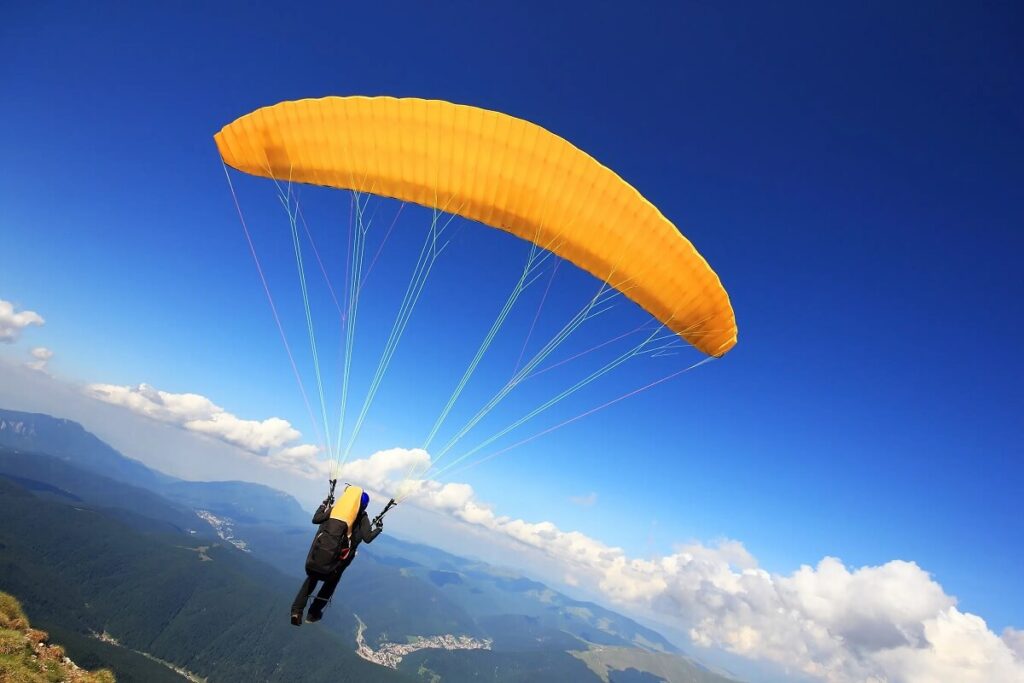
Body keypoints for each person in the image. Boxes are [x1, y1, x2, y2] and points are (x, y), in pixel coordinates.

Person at [291, 485, 383, 625]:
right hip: (335, 566)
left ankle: (296, 611)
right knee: (330, 583)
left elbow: (316, 519)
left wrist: (323, 505)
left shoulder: (336, 510)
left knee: (311, 579)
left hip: (314, 559)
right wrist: (379, 529)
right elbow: (367, 538)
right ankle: (313, 613)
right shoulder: (362, 516)